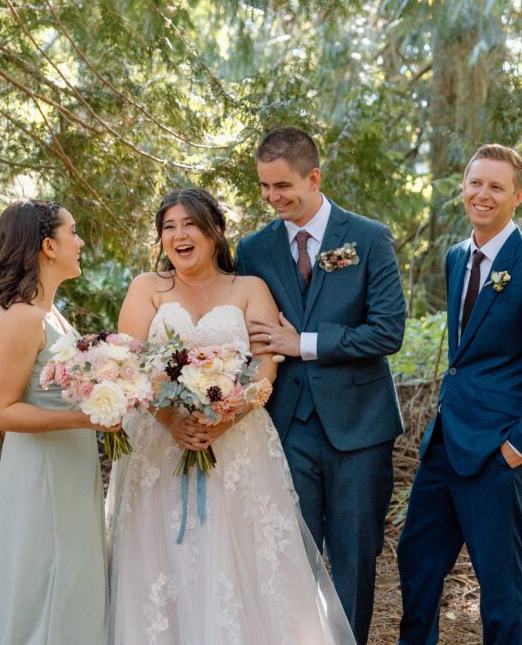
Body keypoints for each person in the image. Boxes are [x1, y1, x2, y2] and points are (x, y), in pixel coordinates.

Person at [106, 188, 355, 644]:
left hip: (237, 444)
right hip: (160, 446)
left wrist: (226, 416)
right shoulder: (148, 288)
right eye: (169, 227)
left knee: (238, 558)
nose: (179, 235)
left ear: (215, 231)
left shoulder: (249, 288)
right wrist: (170, 420)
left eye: (190, 225)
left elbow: (264, 365)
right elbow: (130, 364)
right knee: (164, 559)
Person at [396, 144, 522, 644]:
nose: (483, 194)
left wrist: (520, 447)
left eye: (496, 186)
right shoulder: (457, 257)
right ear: (463, 187)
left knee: (498, 588)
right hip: (445, 443)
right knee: (417, 565)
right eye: (476, 182)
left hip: (498, 454)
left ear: (518, 196)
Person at [236, 127, 407, 645]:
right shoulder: (254, 249)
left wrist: (303, 343)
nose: (272, 198)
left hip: (360, 428)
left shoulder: (369, 237)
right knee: (291, 553)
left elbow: (387, 330)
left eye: (282, 186)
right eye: (264, 187)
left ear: (314, 177)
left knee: (355, 556)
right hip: (287, 426)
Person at [0, 199, 120, 644]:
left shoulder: (50, 313)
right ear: (47, 246)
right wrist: (85, 418)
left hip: (69, 465)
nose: (80, 242)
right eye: (73, 232)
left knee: (75, 578)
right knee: (52, 579)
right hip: (42, 471)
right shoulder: (21, 316)